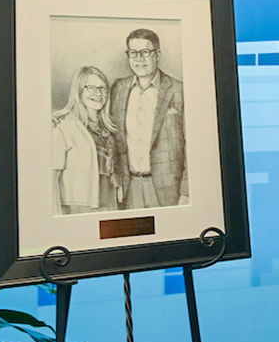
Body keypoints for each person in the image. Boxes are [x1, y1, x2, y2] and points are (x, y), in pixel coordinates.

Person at [109, 28, 187, 209]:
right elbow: (101, 123)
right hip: (130, 187)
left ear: (157, 54)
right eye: (133, 53)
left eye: (145, 52)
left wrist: (187, 191)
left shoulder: (179, 90)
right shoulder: (118, 88)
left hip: (170, 189)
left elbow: (193, 146)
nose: (139, 59)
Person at [52, 65, 120, 214]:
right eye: (91, 88)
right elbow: (51, 181)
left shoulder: (109, 128)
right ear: (79, 91)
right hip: (78, 207)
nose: (99, 93)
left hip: (110, 203)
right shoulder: (62, 127)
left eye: (103, 88)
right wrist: (57, 217)